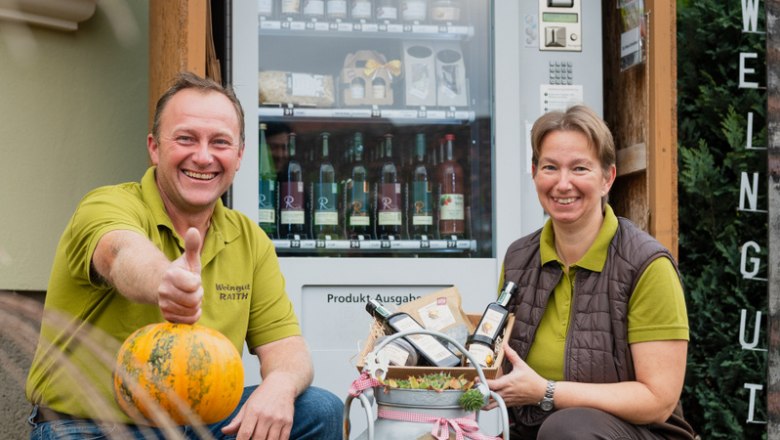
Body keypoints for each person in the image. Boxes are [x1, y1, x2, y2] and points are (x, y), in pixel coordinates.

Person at [25, 72, 343, 439]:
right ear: (154, 147)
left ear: (239, 156)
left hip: (201, 424)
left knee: (320, 409)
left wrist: (280, 386)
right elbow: (120, 253)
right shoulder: (106, 204)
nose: (203, 156)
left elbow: (286, 346)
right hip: (93, 426)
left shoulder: (249, 239)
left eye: (220, 142)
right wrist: (164, 280)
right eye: (186, 138)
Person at [485, 105, 696, 439]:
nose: (563, 183)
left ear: (607, 178)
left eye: (580, 168)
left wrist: (546, 390)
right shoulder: (519, 258)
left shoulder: (647, 265)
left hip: (637, 433)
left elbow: (658, 400)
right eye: (550, 167)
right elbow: (500, 359)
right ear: (534, 172)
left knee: (567, 428)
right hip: (532, 429)